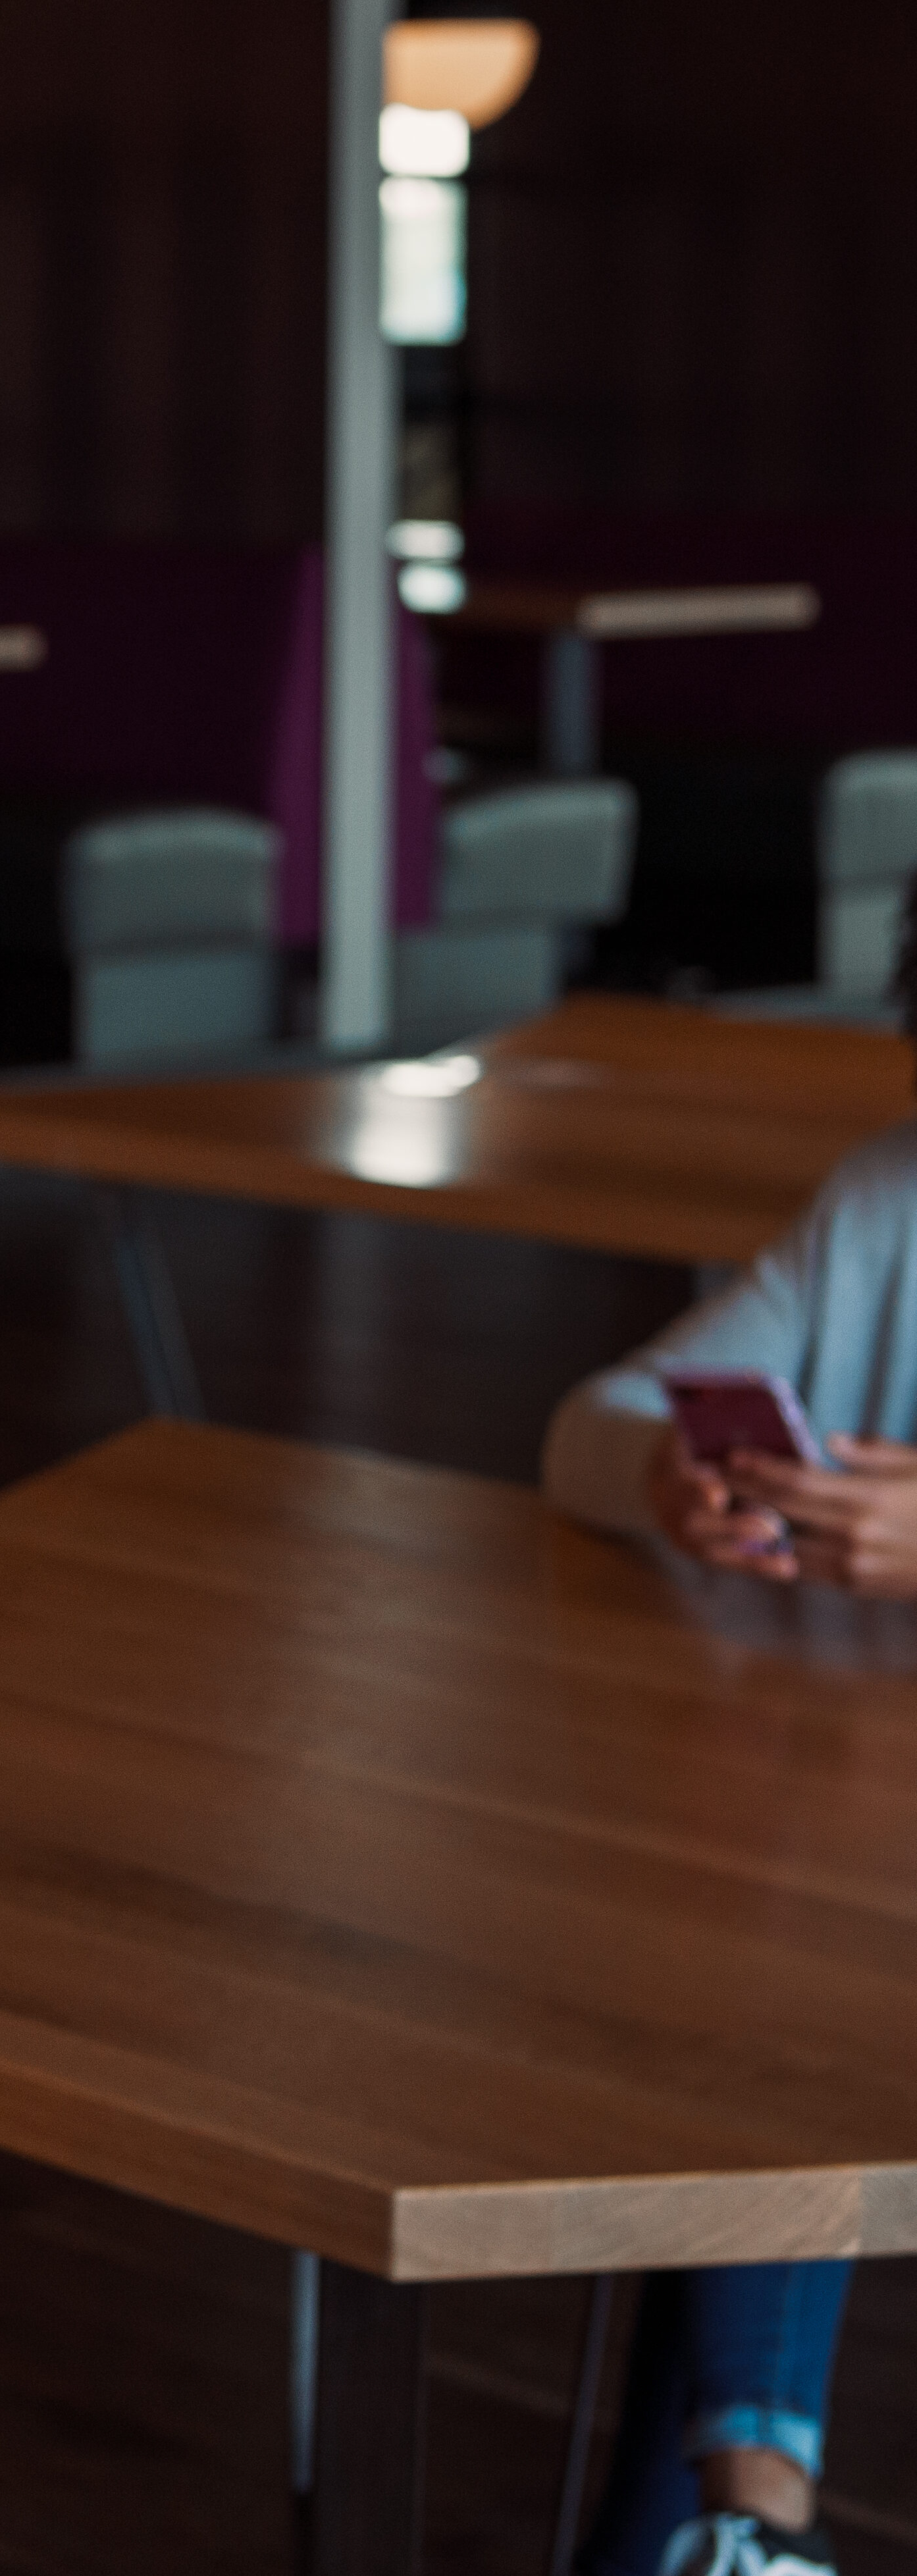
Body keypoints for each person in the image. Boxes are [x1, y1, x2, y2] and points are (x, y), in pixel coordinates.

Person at [535, 913, 917, 2576]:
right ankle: (742, 2518)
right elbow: (591, 1419)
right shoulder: (886, 1200)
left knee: (773, 1968)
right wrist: (665, 1485)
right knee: (757, 1938)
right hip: (842, 1859)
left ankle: (736, 2506)